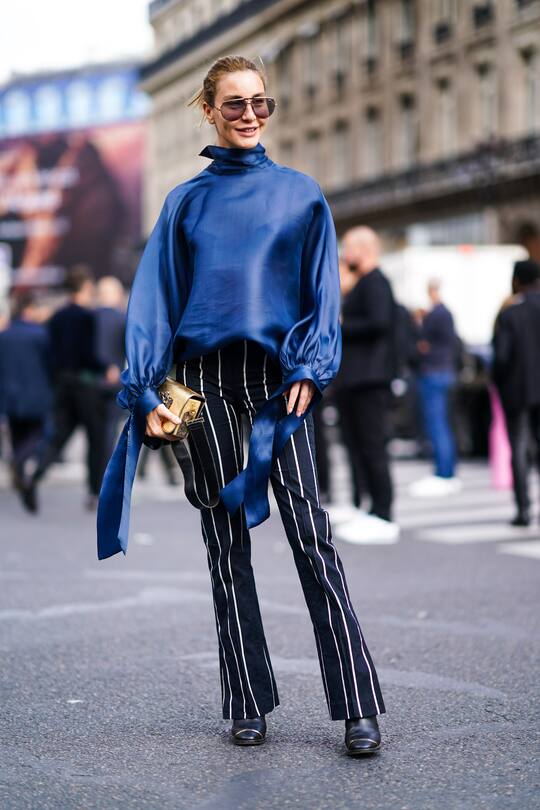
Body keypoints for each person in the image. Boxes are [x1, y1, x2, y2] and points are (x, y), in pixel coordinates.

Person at [97, 55, 386, 756]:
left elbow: (322, 294)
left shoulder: (301, 195)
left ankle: (357, 706)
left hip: (277, 386)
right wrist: (149, 396)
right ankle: (246, 701)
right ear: (208, 110)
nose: (251, 114)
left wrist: (314, 370)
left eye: (262, 102)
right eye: (235, 104)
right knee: (225, 548)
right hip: (198, 389)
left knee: (311, 540)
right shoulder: (184, 204)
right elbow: (156, 309)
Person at [329, 227, 399, 544]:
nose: (345, 254)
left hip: (370, 379)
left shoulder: (376, 282)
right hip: (356, 378)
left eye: (347, 248)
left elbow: (380, 322)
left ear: (363, 248)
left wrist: (343, 324)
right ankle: (368, 506)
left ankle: (383, 512)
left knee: (372, 446)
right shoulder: (363, 283)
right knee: (357, 446)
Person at [28, 267, 110, 510]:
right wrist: (104, 367)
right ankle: (95, 493)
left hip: (63, 384)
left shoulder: (57, 317)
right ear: (85, 287)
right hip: (85, 385)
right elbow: (88, 354)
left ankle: (35, 476)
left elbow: (49, 353)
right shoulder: (87, 317)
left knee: (59, 435)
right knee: (97, 439)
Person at [492, 259, 540, 526]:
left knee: (519, 447)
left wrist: (498, 382)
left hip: (518, 390)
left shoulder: (510, 314)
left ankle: (524, 509)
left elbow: (501, 357)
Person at [408, 279, 462, 498]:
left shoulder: (437, 314)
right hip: (444, 371)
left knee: (437, 425)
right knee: (443, 425)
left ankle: (444, 472)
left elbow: (423, 344)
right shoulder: (444, 313)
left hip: (434, 372)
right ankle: (446, 471)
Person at [0, 292, 52, 510]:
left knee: (17, 432)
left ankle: (19, 472)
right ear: (29, 309)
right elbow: (50, 363)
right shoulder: (41, 334)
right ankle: (19, 461)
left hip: (9, 394)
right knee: (38, 433)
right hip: (36, 392)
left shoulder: (4, 335)